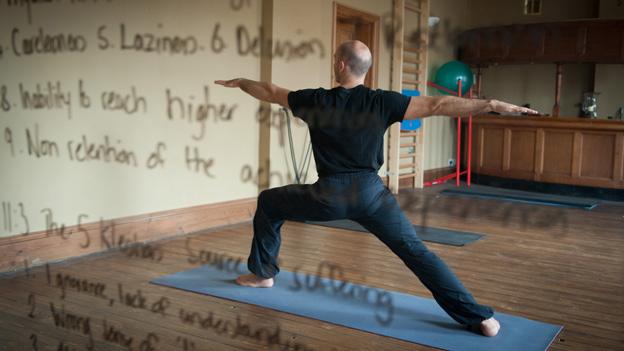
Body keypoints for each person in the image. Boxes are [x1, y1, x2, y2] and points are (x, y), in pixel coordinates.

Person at [215, 40, 539, 337]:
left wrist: (241, 82)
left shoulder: (314, 100)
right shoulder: (383, 102)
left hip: (328, 196)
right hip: (372, 196)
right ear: (365, 69)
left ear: (340, 64)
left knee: (270, 201)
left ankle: (262, 273)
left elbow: (270, 90)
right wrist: (492, 103)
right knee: (417, 253)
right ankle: (479, 317)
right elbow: (439, 105)